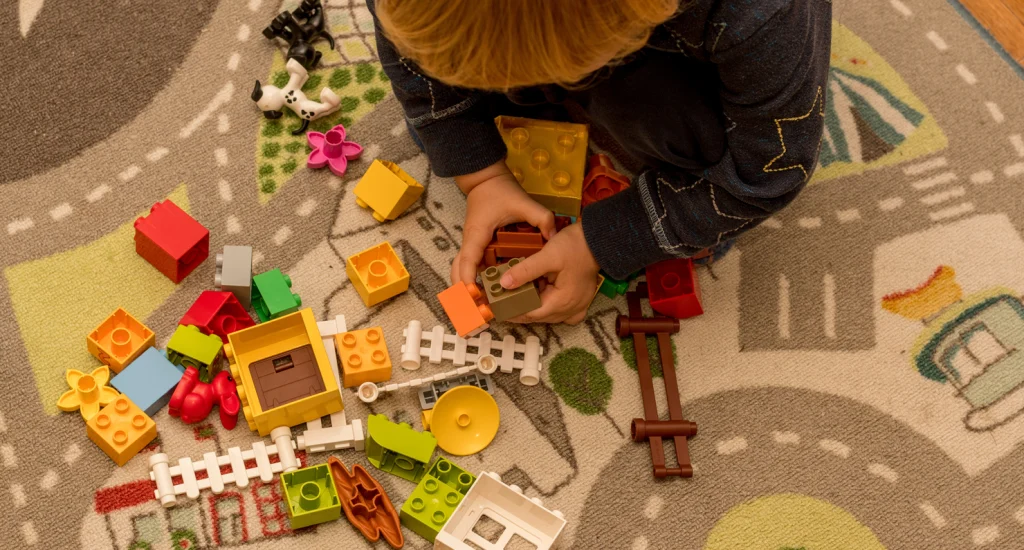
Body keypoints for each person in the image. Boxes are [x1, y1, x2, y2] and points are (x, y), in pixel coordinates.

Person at [368, 0, 831, 324]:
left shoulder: (762, 15)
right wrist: (482, 174)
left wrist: (603, 242)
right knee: (439, 94)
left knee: (698, 154)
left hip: (694, 46)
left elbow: (768, 172)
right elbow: (404, 46)